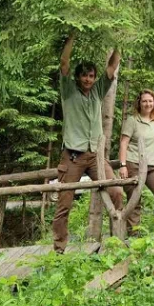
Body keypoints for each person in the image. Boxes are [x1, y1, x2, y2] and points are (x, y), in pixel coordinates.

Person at [52, 36, 124, 254]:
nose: (88, 79)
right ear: (78, 77)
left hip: (95, 156)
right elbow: (64, 63)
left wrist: (121, 42)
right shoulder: (68, 90)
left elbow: (112, 67)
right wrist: (74, 35)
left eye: (91, 76)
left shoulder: (97, 92)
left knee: (116, 191)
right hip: (72, 156)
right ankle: (58, 250)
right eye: (84, 75)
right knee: (64, 204)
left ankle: (116, 243)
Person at [118, 90, 154, 235]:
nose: (147, 104)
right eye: (144, 101)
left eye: (150, 101)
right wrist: (123, 165)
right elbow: (124, 143)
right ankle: (134, 238)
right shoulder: (132, 120)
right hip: (133, 164)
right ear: (139, 103)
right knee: (135, 201)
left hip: (153, 165)